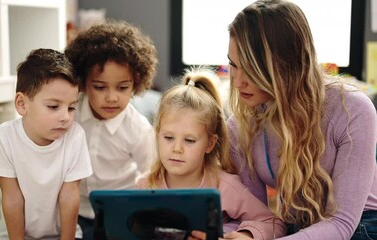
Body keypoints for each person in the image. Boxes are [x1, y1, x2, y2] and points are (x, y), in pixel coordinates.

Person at [220, 0, 377, 239]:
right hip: (297, 228)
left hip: (362, 226)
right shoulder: (240, 126)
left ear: (286, 65)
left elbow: (342, 223)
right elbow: (258, 216)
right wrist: (247, 234)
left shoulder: (352, 110)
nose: (238, 81)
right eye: (233, 65)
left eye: (251, 69)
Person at [137, 68, 286, 240]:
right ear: (157, 135)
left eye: (190, 140)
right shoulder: (145, 186)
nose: (177, 148)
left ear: (209, 143)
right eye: (168, 137)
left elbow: (272, 223)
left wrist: (245, 234)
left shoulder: (225, 186)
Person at [0, 48, 93, 239]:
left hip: (63, 234)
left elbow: (69, 196)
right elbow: (12, 198)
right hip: (13, 235)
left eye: (71, 107)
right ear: (22, 104)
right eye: (53, 107)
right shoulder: (4, 136)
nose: (65, 117)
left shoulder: (75, 136)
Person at [64, 19, 158, 239]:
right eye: (99, 87)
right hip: (76, 209)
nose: (112, 97)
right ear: (83, 82)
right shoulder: (70, 112)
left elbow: (152, 173)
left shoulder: (137, 128)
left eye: (123, 88)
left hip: (123, 211)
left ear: (136, 83)